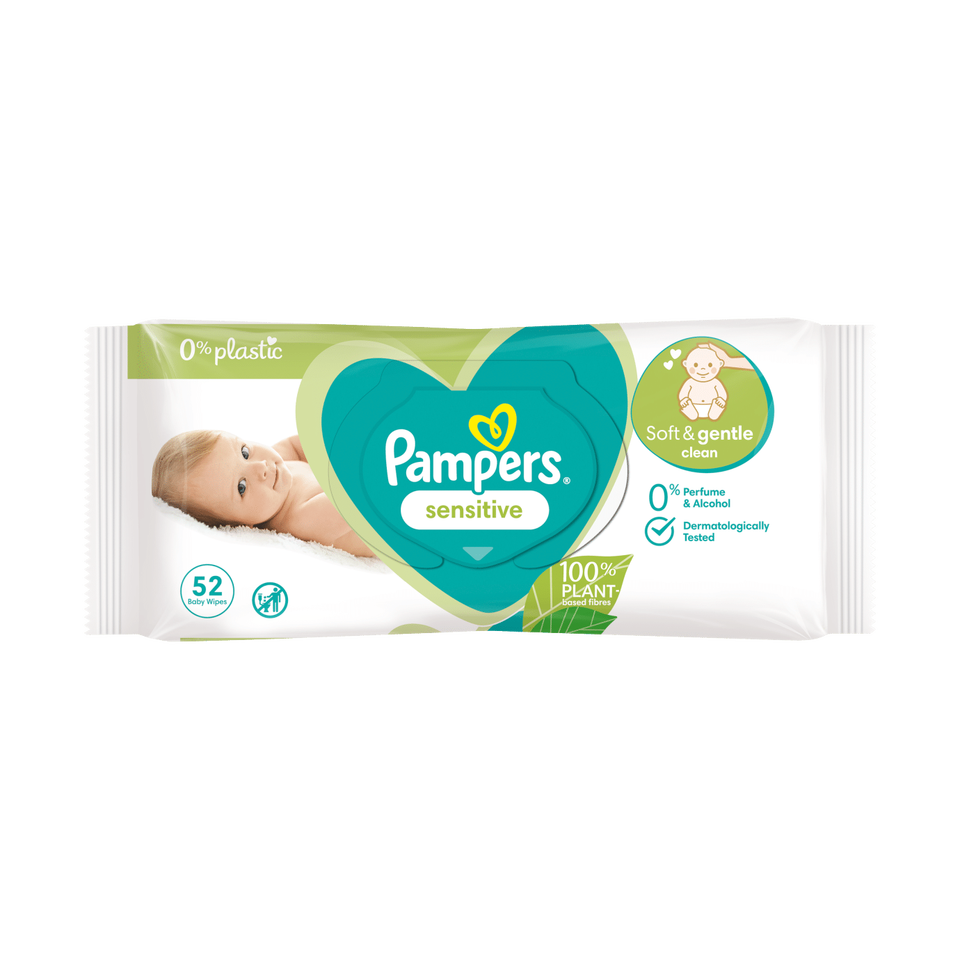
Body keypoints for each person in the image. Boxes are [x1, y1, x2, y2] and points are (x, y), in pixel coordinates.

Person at [152, 430, 376, 558]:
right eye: (241, 487)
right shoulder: (299, 518)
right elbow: (357, 501)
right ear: (243, 526)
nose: (260, 467)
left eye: (244, 452)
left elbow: (301, 444)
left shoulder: (275, 463)